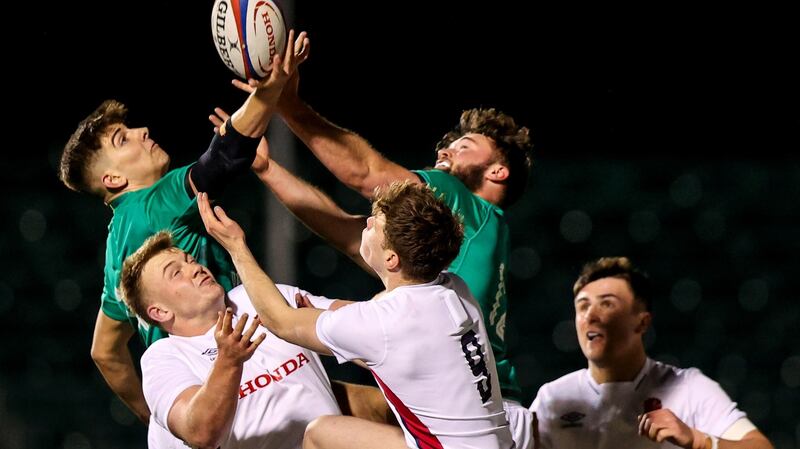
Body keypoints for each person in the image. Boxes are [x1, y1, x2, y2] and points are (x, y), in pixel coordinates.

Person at [225, 75, 535, 447]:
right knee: (324, 412)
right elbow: (348, 234)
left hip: (476, 418)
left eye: (464, 146)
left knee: (309, 411)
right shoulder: (452, 283)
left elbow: (366, 174)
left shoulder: (464, 201)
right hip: (493, 417)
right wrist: (267, 169)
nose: (446, 150)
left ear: (497, 172)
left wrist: (284, 102)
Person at [57, 30, 310, 423]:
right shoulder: (154, 205)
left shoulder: (118, 242)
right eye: (123, 139)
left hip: (194, 393)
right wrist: (269, 90)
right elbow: (223, 157)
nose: (142, 131)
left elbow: (104, 351)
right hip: (231, 383)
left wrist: (158, 417)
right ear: (112, 180)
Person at [197, 181, 515, 449]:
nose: (367, 223)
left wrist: (235, 246)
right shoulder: (453, 287)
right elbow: (396, 343)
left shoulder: (384, 323)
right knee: (326, 433)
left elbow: (280, 321)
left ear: (391, 258)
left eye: (375, 224)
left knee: (319, 436)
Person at [119, 231, 341, 449]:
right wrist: (228, 362)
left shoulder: (257, 297)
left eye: (191, 260)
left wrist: (326, 328)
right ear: (160, 312)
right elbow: (200, 433)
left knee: (330, 430)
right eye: (176, 273)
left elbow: (362, 321)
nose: (195, 268)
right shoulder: (163, 357)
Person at [530, 257, 774, 449]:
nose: (591, 315)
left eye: (607, 303)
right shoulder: (552, 398)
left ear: (642, 323)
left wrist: (699, 440)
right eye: (582, 306)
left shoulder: (688, 388)